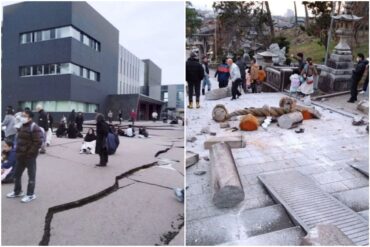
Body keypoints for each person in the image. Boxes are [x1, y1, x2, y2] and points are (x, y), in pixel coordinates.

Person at [6, 109, 42, 203]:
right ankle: (17, 191)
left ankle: (30, 194)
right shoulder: (21, 126)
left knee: (31, 176)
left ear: (29, 118)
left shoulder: (34, 127)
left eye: (24, 116)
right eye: (22, 115)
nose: (22, 117)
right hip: (20, 156)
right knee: (17, 175)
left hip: (29, 157)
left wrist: (30, 154)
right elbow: (19, 139)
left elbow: (38, 142)